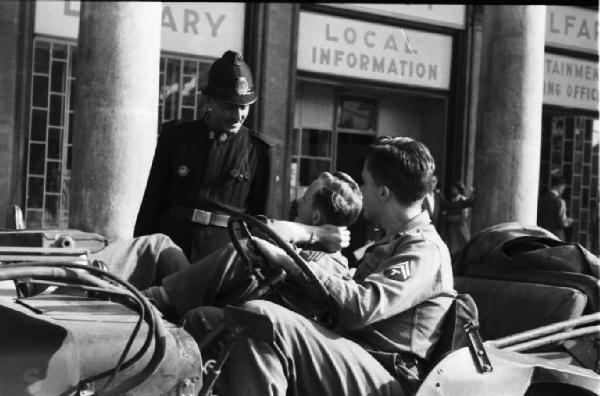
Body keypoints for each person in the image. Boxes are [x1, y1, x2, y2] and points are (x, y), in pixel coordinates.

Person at [183, 136, 456, 396]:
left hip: (385, 375)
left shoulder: (424, 250)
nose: (362, 191)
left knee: (261, 319)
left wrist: (287, 261)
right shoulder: (392, 241)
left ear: (383, 193)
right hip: (352, 353)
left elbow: (362, 308)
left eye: (365, 182)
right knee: (204, 320)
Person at [141, 171, 362, 320]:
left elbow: (259, 236)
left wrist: (310, 234)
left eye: (305, 199)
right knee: (159, 244)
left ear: (315, 217)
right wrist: (314, 233)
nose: (298, 202)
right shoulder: (306, 238)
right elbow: (261, 229)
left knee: (244, 248)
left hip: (235, 317)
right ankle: (108, 283)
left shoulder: (328, 264)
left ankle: (149, 300)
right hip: (206, 292)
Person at [134, 50, 273, 262]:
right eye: (229, 107)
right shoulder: (176, 138)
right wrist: (140, 256)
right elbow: (151, 205)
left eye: (244, 107)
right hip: (170, 250)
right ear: (209, 100)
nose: (238, 116)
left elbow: (262, 221)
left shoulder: (259, 150)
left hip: (225, 259)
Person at [537, 175, 574, 241]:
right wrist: (569, 221)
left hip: (540, 235)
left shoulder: (540, 200)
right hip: (555, 237)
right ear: (560, 186)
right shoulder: (560, 202)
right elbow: (562, 222)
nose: (563, 190)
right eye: (563, 188)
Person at [443, 181, 471, 255]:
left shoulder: (463, 199)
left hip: (460, 226)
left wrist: (448, 217)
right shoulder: (451, 200)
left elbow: (464, 216)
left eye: (455, 188)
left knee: (462, 245)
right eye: (452, 188)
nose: (453, 190)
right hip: (452, 227)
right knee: (452, 245)